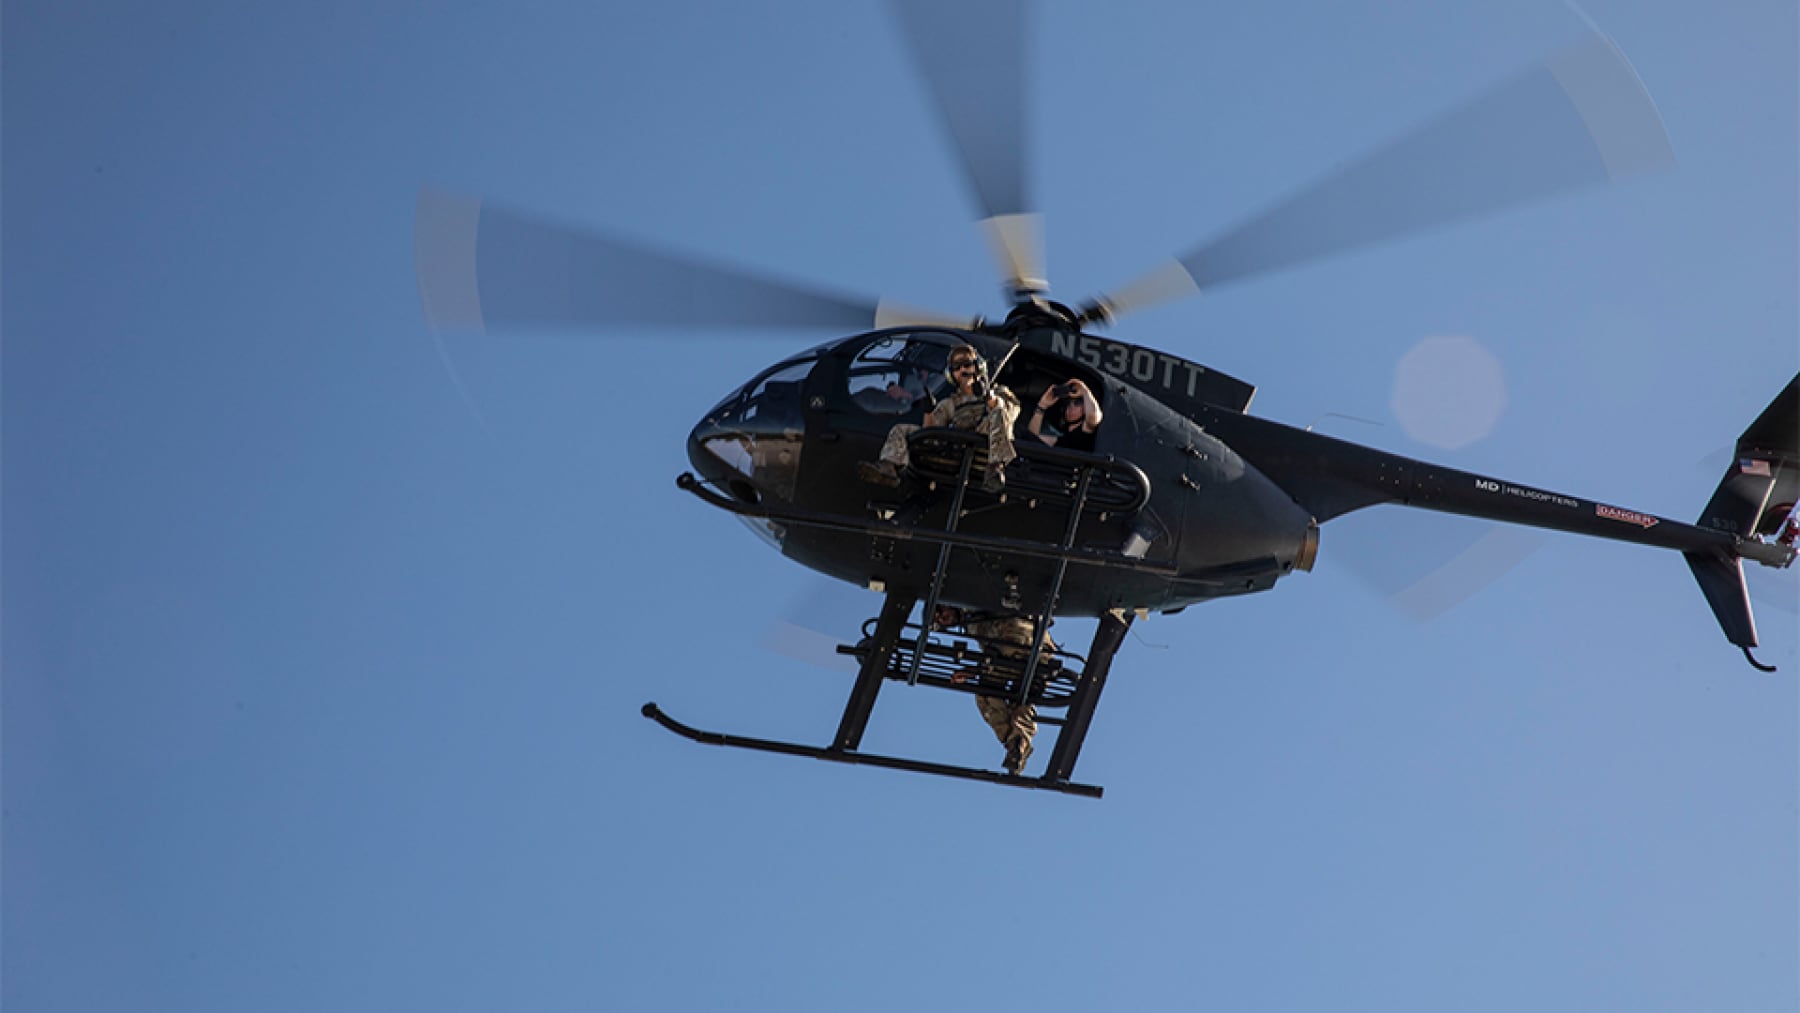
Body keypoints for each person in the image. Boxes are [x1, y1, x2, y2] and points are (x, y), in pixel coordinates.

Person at [858, 344, 1020, 494]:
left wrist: (989, 397)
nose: (962, 370)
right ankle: (889, 467)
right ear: (951, 374)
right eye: (957, 367)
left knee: (998, 413)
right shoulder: (950, 403)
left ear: (978, 366)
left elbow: (1011, 412)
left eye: (967, 364)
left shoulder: (999, 393)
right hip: (958, 451)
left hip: (985, 449)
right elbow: (931, 432)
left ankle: (995, 468)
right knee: (900, 429)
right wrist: (928, 411)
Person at [935, 605, 1053, 775]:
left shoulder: (971, 607)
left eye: (940, 611)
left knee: (986, 695)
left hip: (1012, 641)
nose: (943, 618)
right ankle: (1018, 743)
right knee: (1022, 697)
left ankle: (1014, 740)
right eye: (940, 621)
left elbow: (996, 653)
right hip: (1041, 650)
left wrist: (974, 671)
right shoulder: (971, 620)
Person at [1028, 377, 1103, 453]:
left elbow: (1094, 417)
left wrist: (1085, 391)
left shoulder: (1085, 433)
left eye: (1077, 403)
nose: (1071, 407)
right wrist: (1042, 406)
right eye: (1068, 403)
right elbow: (1031, 440)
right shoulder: (1062, 439)